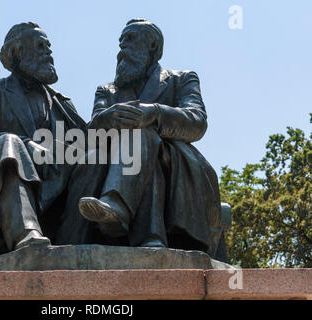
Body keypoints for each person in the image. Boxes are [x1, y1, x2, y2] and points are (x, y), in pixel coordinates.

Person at [56, 18, 223, 259]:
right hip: (111, 161)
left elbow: (196, 121)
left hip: (172, 163)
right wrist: (108, 119)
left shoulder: (182, 79)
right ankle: (145, 235)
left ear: (153, 46)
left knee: (143, 134)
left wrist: (154, 113)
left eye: (130, 40)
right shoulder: (107, 90)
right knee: (104, 152)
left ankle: (117, 206)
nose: (122, 48)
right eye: (120, 42)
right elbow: (91, 131)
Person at [0, 22, 86, 252]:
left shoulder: (62, 103)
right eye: (39, 45)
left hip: (54, 194)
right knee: (9, 142)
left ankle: (77, 243)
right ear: (16, 52)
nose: (48, 51)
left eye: (49, 46)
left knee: (96, 157)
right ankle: (25, 235)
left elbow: (84, 146)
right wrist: (25, 145)